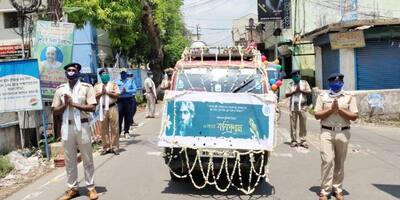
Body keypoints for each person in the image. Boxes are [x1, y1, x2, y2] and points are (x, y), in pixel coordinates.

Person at [51, 63, 98, 200]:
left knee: (87, 158)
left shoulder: (86, 88)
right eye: (69, 70)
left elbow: (92, 107)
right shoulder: (60, 90)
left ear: (78, 73)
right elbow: (54, 110)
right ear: (66, 73)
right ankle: (72, 188)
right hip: (67, 127)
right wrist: (65, 105)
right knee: (69, 159)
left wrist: (74, 104)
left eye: (74, 70)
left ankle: (91, 187)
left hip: (82, 126)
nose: (71, 72)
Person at [314, 73, 358, 200]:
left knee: (340, 162)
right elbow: (317, 115)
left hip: (343, 133)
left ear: (342, 82)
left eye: (339, 81)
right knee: (327, 161)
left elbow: (354, 116)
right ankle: (325, 191)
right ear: (329, 83)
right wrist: (330, 110)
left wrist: (339, 110)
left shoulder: (349, 96)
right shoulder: (322, 96)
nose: (337, 83)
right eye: (334, 81)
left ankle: (337, 189)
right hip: (326, 132)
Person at [94, 69, 120, 155]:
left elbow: (117, 94)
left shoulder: (113, 84)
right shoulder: (97, 86)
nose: (105, 75)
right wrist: (102, 93)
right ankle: (106, 147)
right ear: (100, 76)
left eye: (106, 73)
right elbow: (94, 96)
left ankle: (115, 147)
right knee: (103, 129)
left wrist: (108, 92)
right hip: (102, 108)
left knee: (114, 128)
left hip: (112, 107)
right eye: (103, 74)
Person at [285, 70, 311, 148]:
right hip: (293, 107)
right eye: (295, 76)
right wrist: (294, 91)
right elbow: (286, 94)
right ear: (292, 77)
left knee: (303, 124)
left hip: (303, 107)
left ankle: (303, 140)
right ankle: (294, 140)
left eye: (298, 75)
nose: (297, 76)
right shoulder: (290, 84)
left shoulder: (304, 83)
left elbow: (309, 92)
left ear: (300, 76)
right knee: (293, 125)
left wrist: (301, 91)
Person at [117, 69, 136, 138]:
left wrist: (127, 91)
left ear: (126, 74)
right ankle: (118, 132)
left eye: (124, 73)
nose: (123, 74)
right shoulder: (117, 82)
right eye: (122, 73)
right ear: (120, 74)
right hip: (120, 100)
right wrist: (121, 92)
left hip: (128, 100)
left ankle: (126, 132)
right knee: (119, 117)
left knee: (127, 116)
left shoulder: (130, 81)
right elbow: (115, 91)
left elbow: (134, 89)